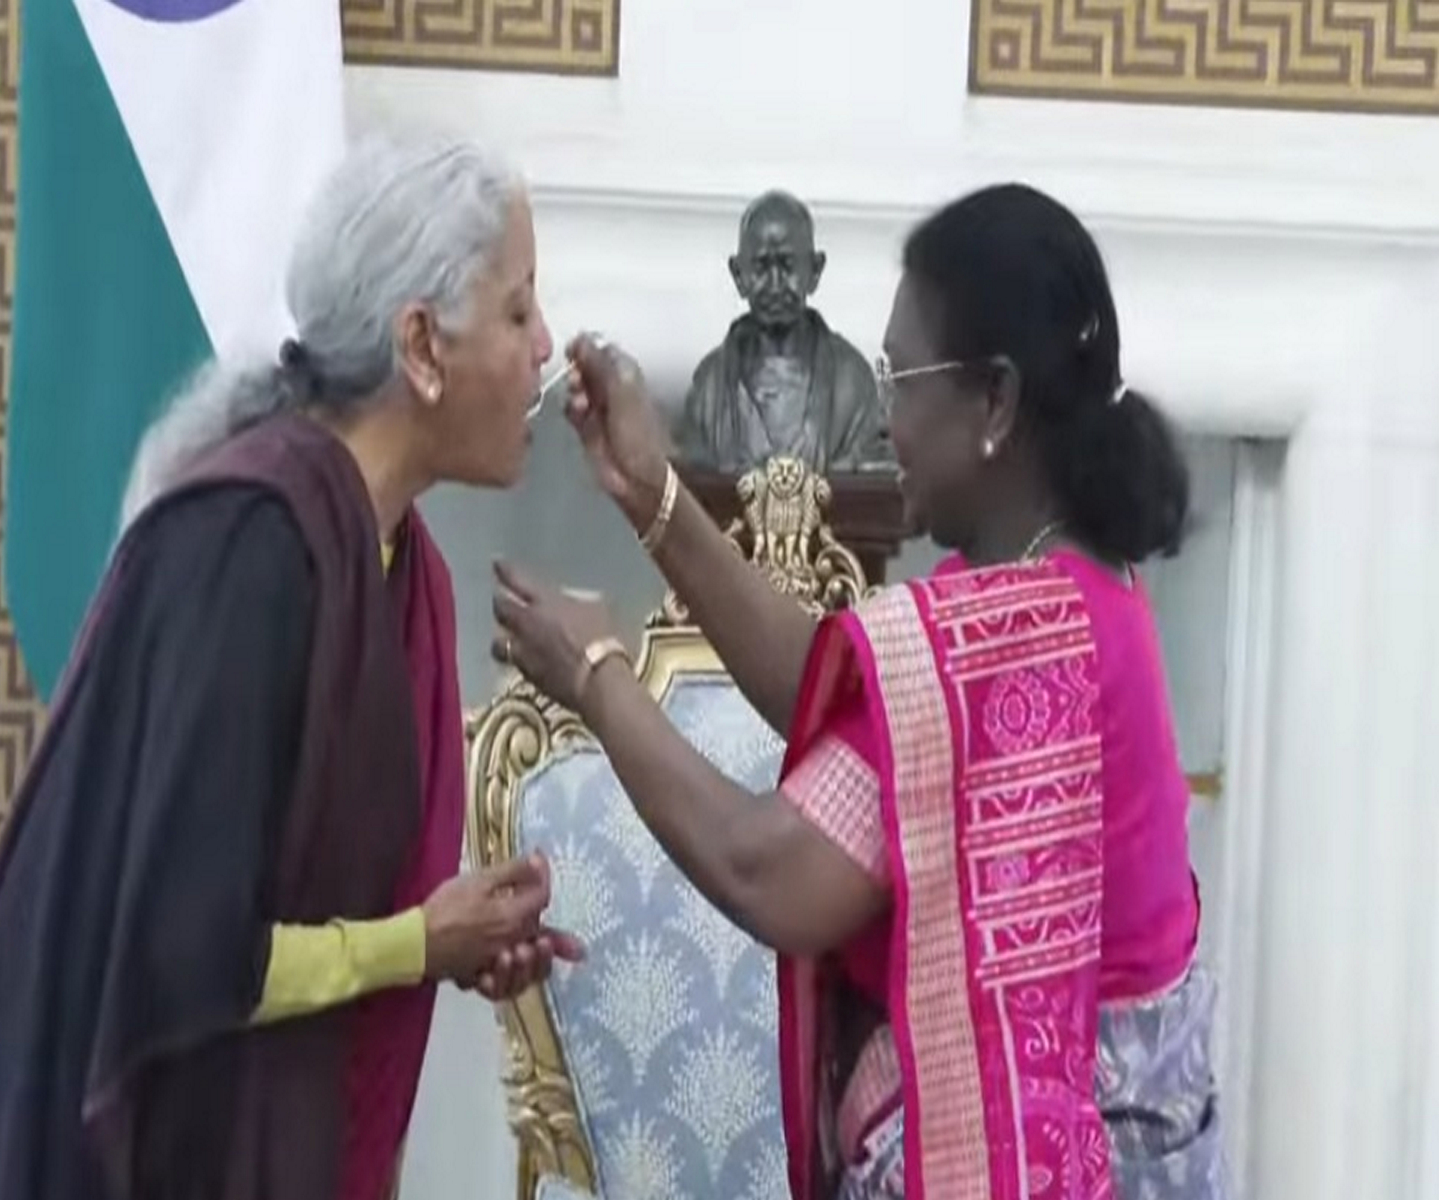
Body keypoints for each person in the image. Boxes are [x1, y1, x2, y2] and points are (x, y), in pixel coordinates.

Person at [494, 184, 1226, 1199]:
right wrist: (651, 492)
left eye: (899, 375)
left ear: (995, 402)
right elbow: (839, 699)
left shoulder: (1030, 637)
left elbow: (769, 872)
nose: (884, 417)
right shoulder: (1048, 589)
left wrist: (597, 677)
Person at [0, 135, 582, 1200]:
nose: (545, 345)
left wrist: (455, 939)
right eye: (517, 310)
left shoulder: (397, 566)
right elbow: (186, 953)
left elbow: (316, 902)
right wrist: (417, 943)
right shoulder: (246, 549)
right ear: (420, 343)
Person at [675, 189, 894, 475]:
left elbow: (870, 482)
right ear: (738, 275)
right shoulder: (710, 386)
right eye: (761, 267)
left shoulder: (852, 380)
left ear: (814, 271)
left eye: (788, 265)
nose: (775, 284)